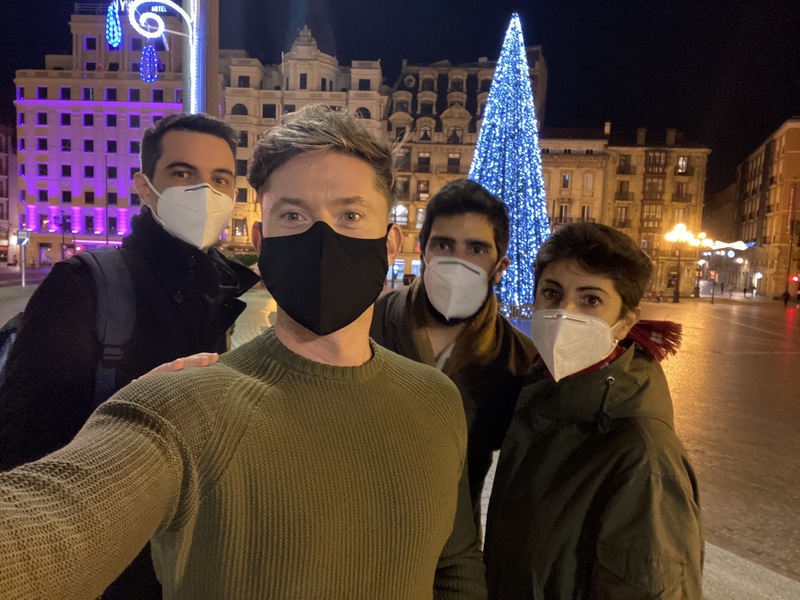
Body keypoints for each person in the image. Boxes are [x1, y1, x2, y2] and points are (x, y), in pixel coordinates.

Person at [0, 105, 486, 599]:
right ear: (262, 240)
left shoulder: (435, 400)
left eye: (350, 215)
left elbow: (454, 566)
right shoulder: (184, 407)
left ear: (390, 243)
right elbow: (52, 515)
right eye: (293, 215)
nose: (322, 237)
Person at [0, 113, 260, 598]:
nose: (205, 192)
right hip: (106, 569)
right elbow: (22, 452)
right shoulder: (84, 286)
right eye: (182, 174)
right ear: (145, 187)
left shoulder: (221, 291)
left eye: (220, 179)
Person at [484, 223, 703, 599]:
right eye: (552, 293)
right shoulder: (540, 395)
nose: (564, 311)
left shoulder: (642, 453)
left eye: (591, 300)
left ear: (625, 323)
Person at [370, 179, 536, 528]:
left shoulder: (518, 361)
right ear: (422, 250)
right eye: (444, 244)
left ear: (500, 265)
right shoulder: (367, 325)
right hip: (353, 534)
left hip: (451, 547)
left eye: (476, 249)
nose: (458, 261)